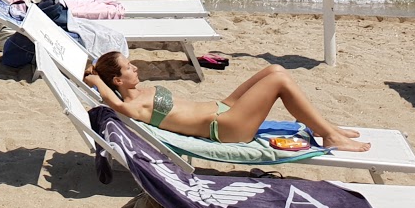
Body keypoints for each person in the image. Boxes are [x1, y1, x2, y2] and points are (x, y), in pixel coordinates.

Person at [85, 50, 369, 152]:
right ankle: (330, 136)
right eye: (129, 68)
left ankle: (321, 126)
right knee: (279, 82)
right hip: (226, 127)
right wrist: (95, 80)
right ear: (118, 81)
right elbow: (117, 105)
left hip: (224, 107)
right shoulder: (133, 105)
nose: (135, 68)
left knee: (275, 70)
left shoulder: (143, 93)